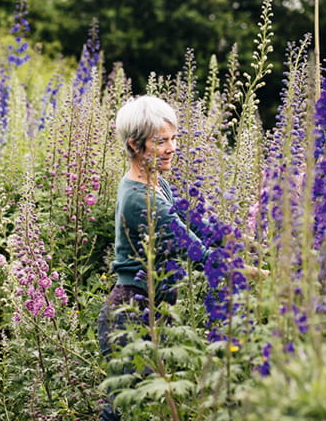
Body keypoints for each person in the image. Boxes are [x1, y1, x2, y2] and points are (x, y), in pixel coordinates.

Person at [96, 95, 210, 421]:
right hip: (130, 315)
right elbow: (194, 248)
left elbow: (193, 226)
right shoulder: (139, 199)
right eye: (161, 141)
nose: (173, 148)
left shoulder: (157, 184)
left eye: (174, 138)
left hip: (152, 308)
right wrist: (248, 270)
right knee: (121, 410)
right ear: (135, 145)